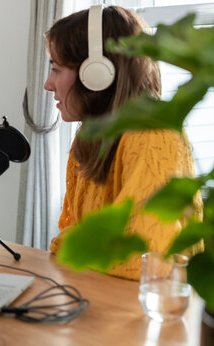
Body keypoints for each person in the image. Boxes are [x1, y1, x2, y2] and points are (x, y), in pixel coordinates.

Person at [44, 6, 202, 280]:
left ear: (96, 74)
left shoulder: (152, 135)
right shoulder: (89, 136)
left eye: (57, 70)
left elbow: (145, 259)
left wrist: (76, 248)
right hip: (105, 293)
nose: (48, 84)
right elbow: (72, 235)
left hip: (155, 309)